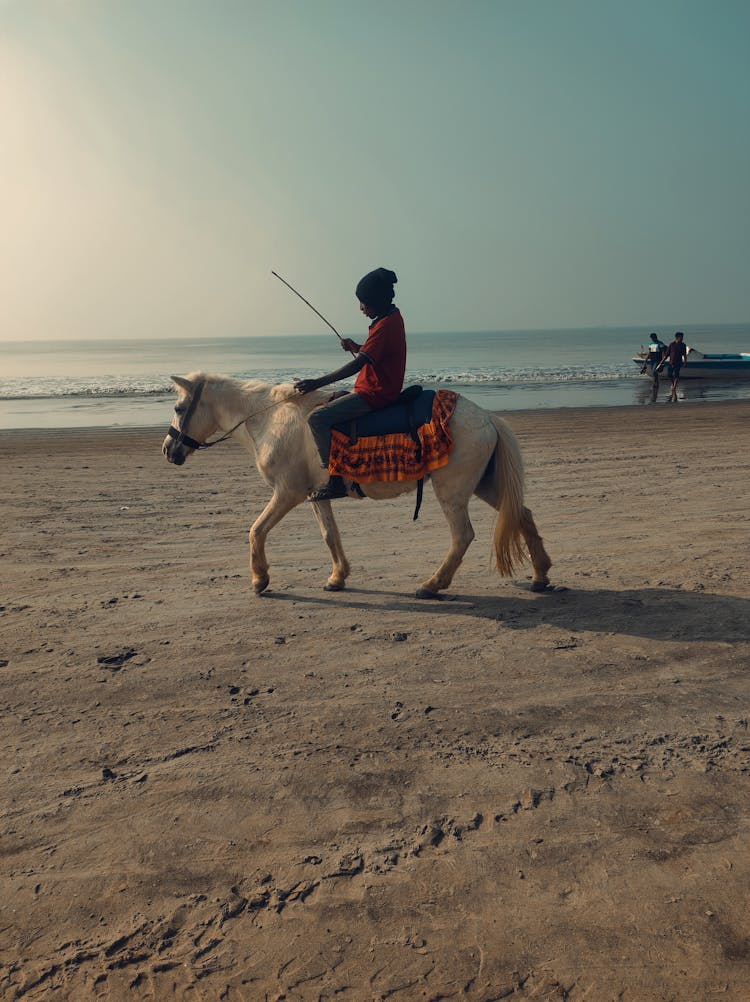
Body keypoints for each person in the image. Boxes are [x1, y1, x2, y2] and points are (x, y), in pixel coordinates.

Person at [294, 267, 406, 501]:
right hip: (373, 388)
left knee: (317, 418)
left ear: (376, 301)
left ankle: (335, 481)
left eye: (364, 303)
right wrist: (356, 347)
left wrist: (318, 382)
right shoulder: (388, 319)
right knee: (334, 399)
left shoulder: (385, 326)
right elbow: (374, 353)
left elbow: (359, 365)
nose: (361, 308)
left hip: (375, 394)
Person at [664, 331, 688, 400]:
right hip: (671, 362)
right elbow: (667, 354)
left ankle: (674, 386)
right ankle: (672, 383)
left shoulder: (683, 345)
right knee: (669, 374)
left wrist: (685, 362)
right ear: (677, 337)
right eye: (681, 337)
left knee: (676, 374)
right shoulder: (671, 344)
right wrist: (662, 361)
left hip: (678, 362)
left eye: (682, 337)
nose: (682, 338)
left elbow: (684, 354)